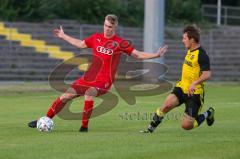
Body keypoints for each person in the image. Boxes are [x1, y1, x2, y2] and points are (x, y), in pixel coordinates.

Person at [28, 14, 168, 132]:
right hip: (89, 77)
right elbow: (80, 44)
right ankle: (45, 119)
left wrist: (155, 55)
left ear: (115, 27)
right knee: (66, 96)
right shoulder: (96, 37)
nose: (107, 29)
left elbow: (137, 54)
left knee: (89, 93)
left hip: (104, 81)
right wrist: (63, 36)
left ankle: (84, 127)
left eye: (110, 27)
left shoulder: (120, 43)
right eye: (105, 25)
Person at [140, 25, 215, 133]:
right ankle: (149, 129)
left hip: (194, 93)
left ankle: (208, 113)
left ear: (192, 39)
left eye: (184, 38)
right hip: (181, 87)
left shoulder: (202, 55)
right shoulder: (190, 50)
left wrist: (194, 83)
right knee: (166, 106)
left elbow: (207, 74)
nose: (182, 40)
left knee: (186, 125)